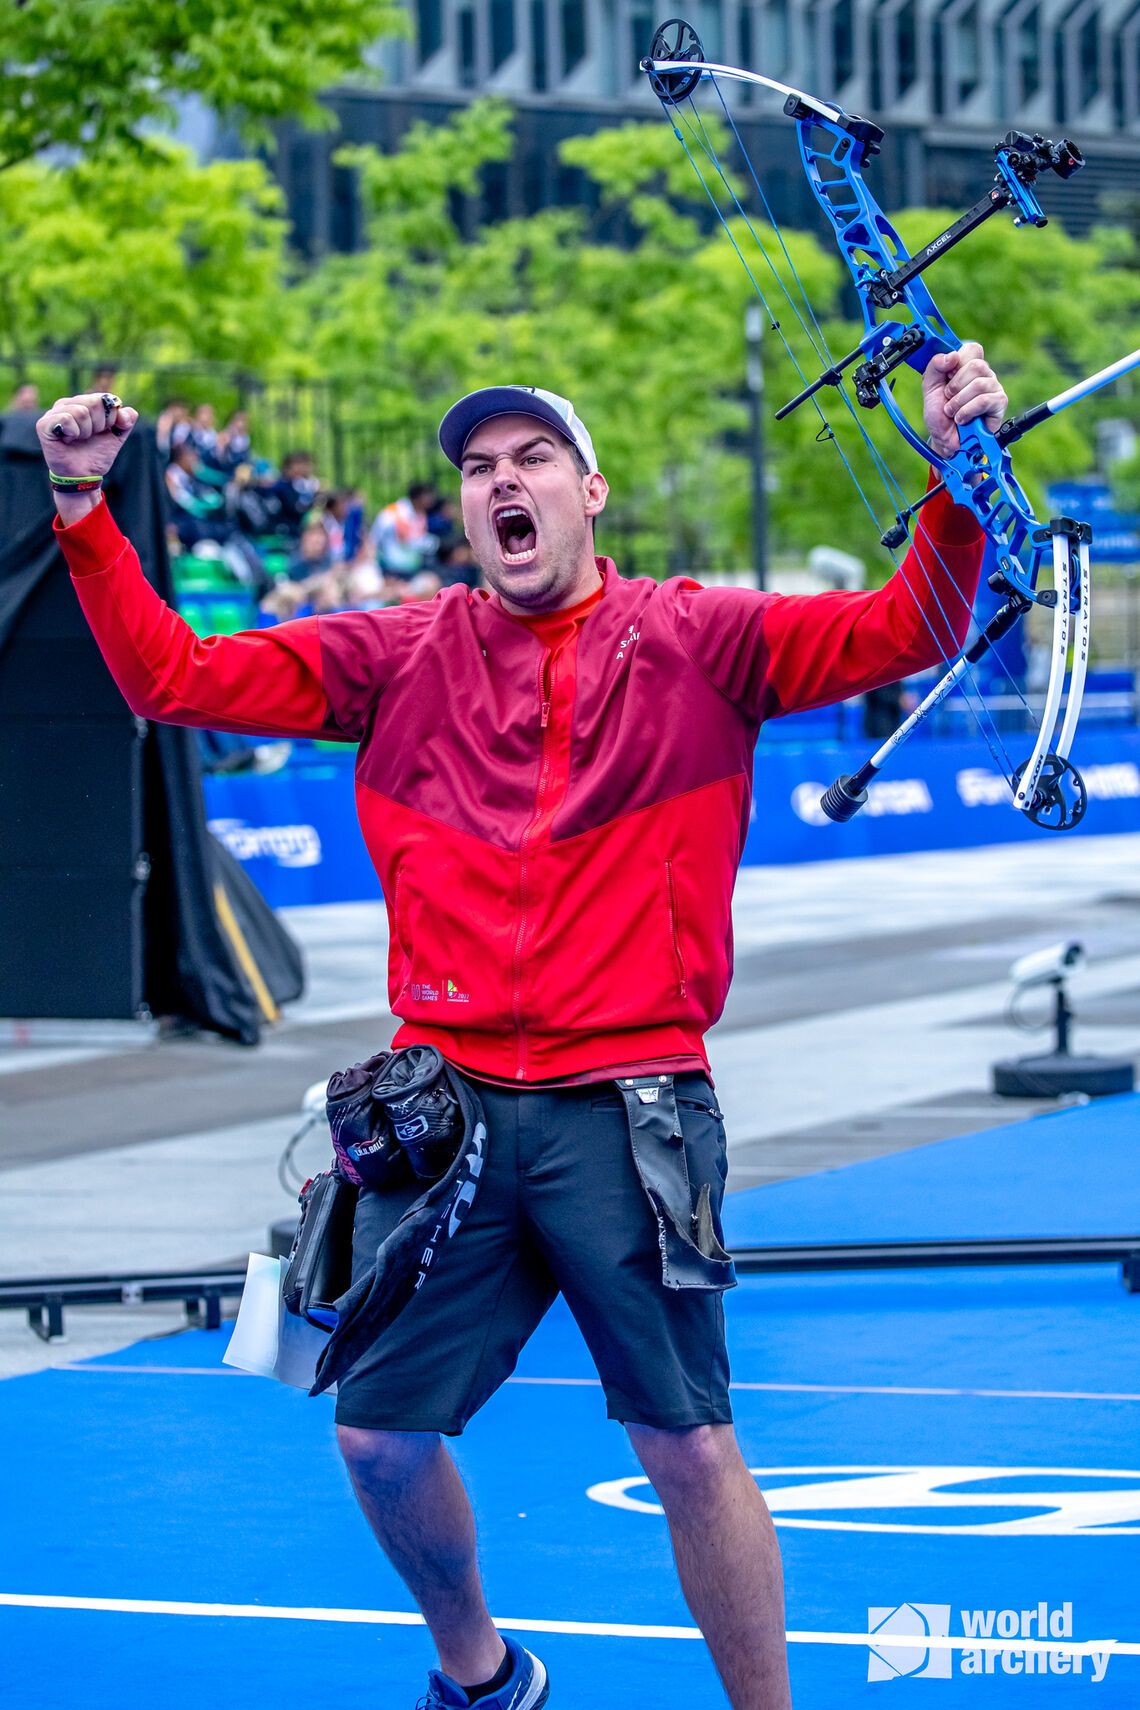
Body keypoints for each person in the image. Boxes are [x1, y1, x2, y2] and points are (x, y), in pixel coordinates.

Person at [37, 347, 1005, 1710]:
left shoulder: (702, 634)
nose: (502, 479)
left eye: (531, 457)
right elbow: (172, 677)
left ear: (590, 490)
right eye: (479, 466)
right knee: (375, 1437)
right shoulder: (399, 651)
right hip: (450, 1114)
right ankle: (481, 1673)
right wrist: (81, 497)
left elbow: (908, 627)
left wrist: (958, 476)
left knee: (688, 1449)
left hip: (634, 1101)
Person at [370, 479, 439, 577]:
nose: (432, 499)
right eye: (428, 495)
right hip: (394, 566)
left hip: (410, 563)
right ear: (418, 497)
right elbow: (407, 541)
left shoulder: (420, 513)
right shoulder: (399, 513)